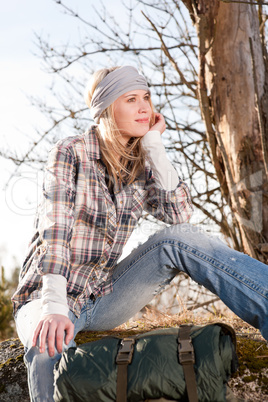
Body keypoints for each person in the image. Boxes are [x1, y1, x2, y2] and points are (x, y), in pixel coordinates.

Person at [12, 65, 268, 402]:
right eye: (131, 99)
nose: (144, 107)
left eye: (146, 97)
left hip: (101, 297)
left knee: (177, 238)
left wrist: (154, 146)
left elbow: (179, 216)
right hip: (46, 297)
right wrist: (54, 307)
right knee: (48, 347)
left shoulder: (140, 163)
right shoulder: (69, 153)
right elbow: (55, 232)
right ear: (106, 109)